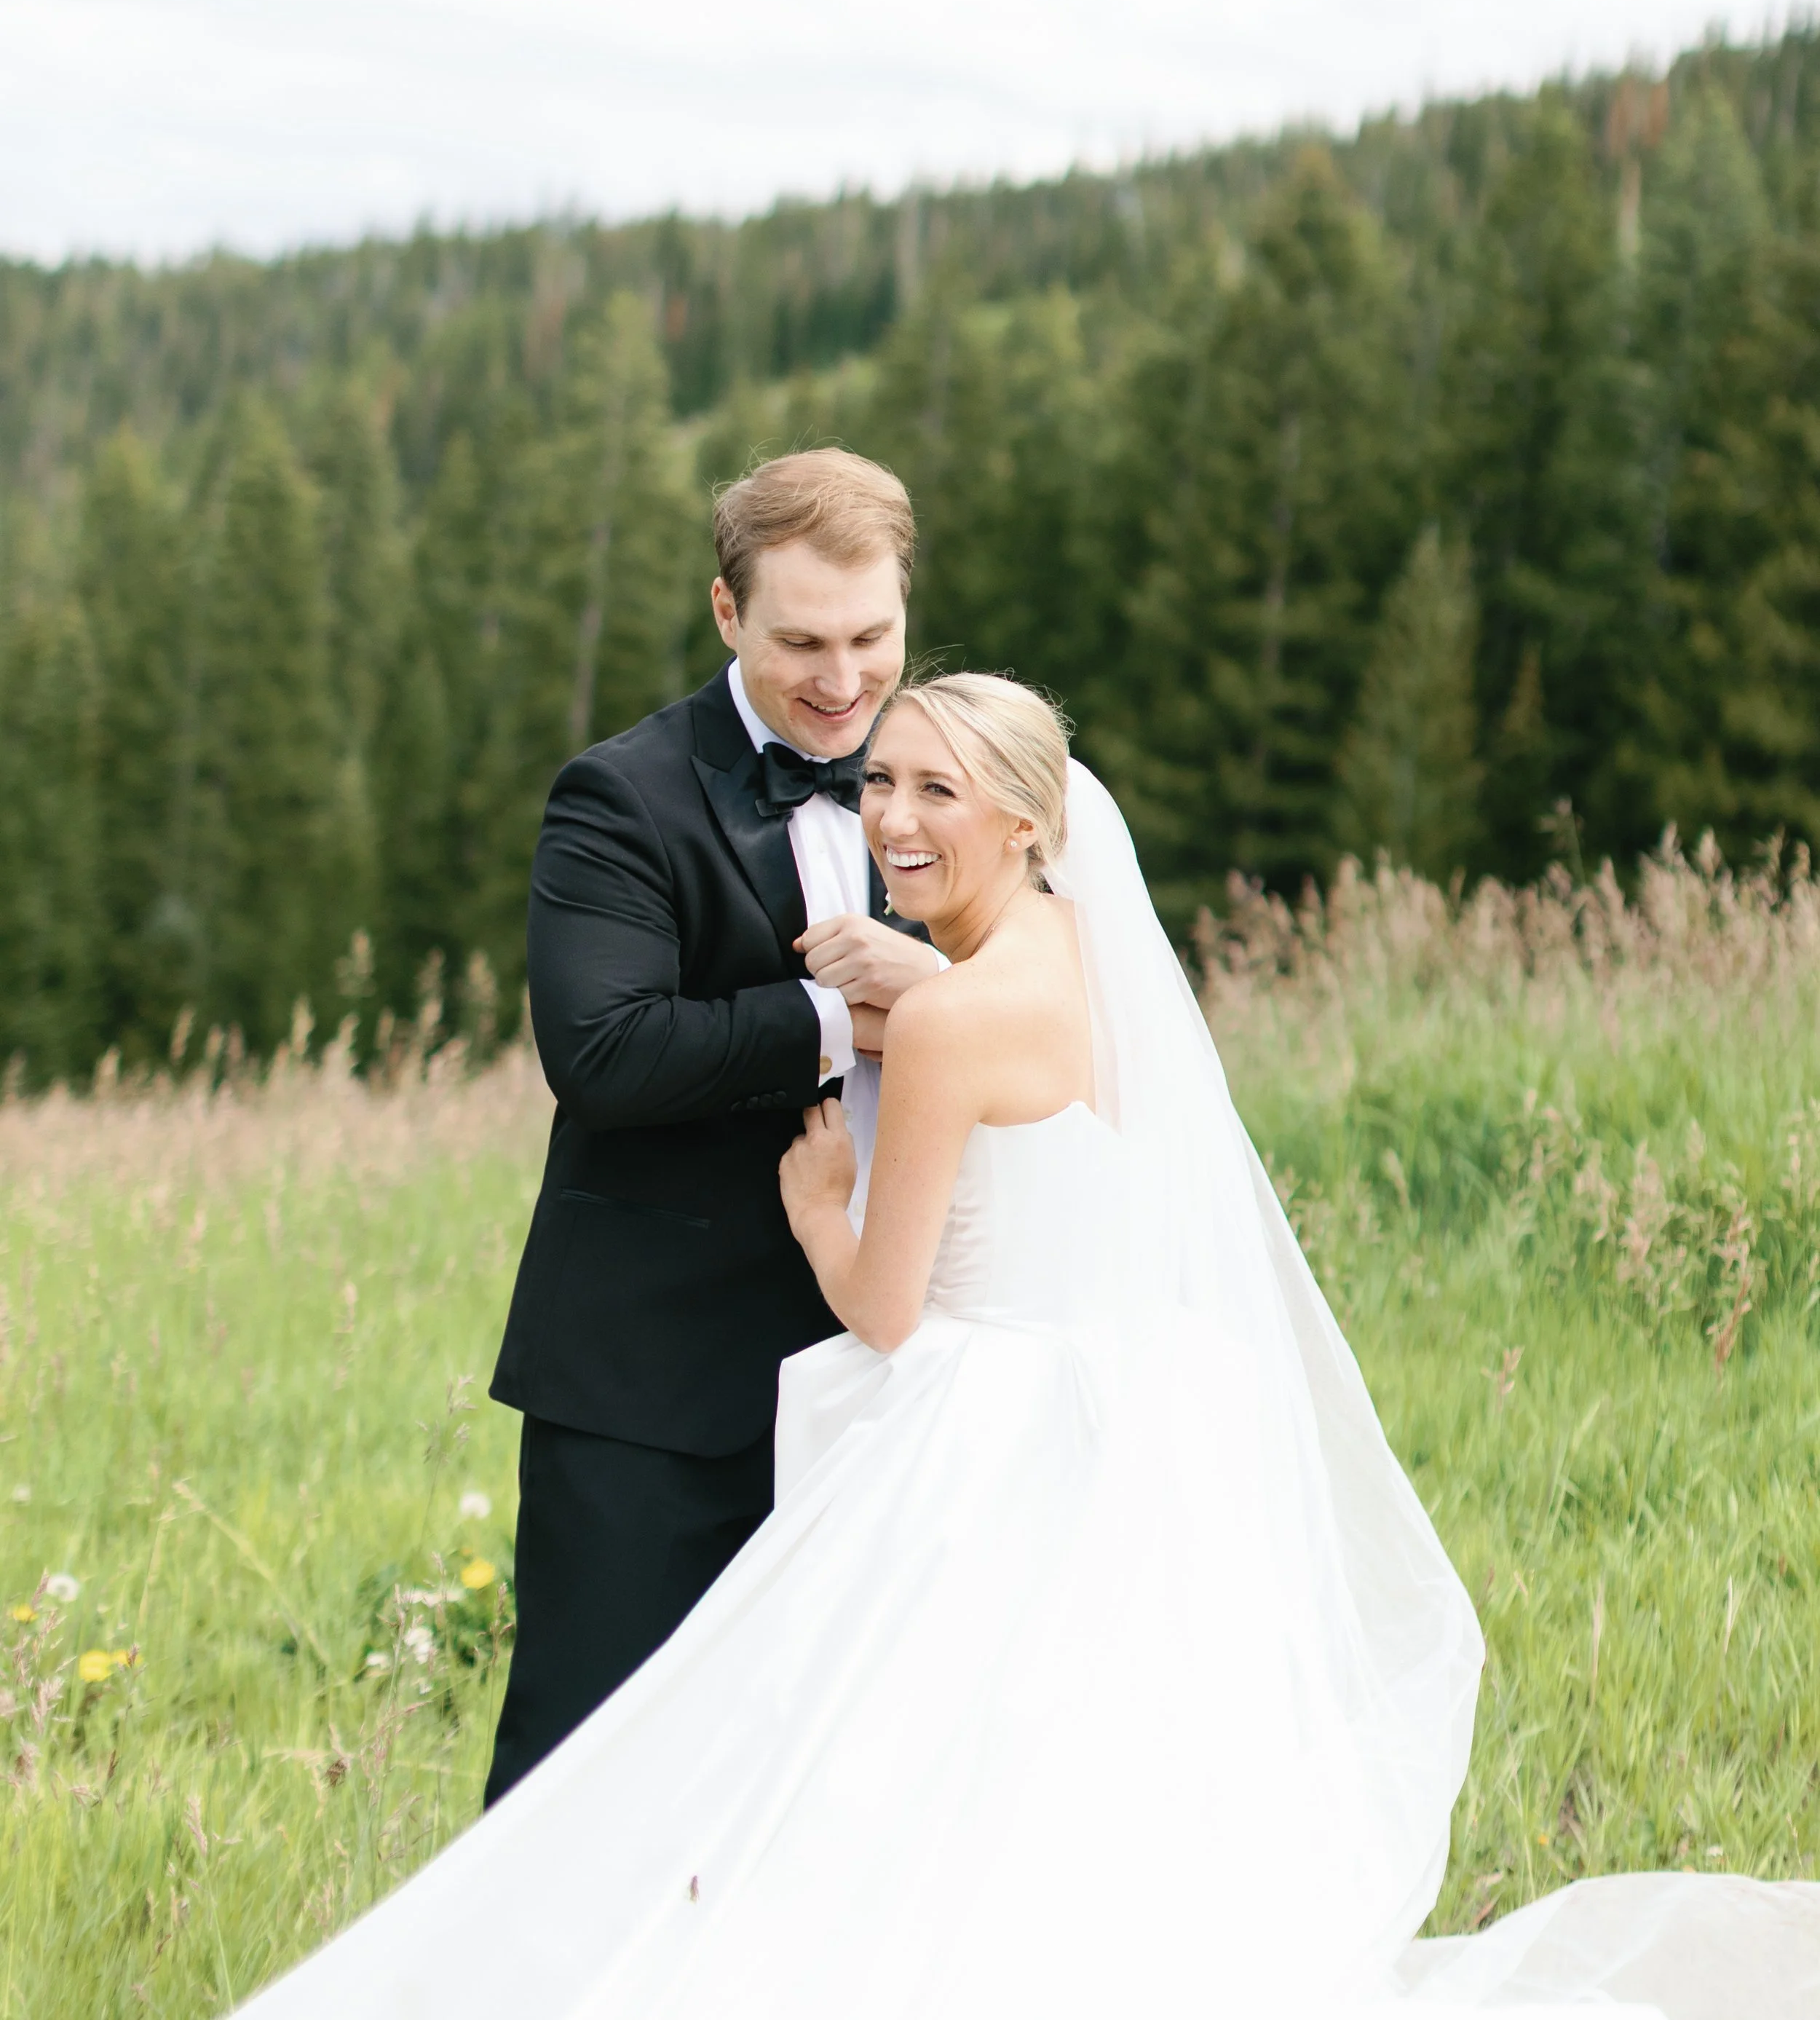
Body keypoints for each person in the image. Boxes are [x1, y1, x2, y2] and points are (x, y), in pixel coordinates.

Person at [244, 675, 1820, 2019]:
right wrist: (911, 983)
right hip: (1124, 1408)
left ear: (1027, 820)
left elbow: (879, 1300)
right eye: (881, 781)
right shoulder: (1081, 950)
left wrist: (813, 1200)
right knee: (1064, 1776)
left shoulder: (940, 1025)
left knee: (877, 1774)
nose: (894, 818)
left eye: (941, 789)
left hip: (976, 1425)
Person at [482, 449, 944, 1805]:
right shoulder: (618, 798)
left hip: (899, 1370)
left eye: (874, 637)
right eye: (802, 640)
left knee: (837, 1791)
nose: (845, 681)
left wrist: (939, 1006)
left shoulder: (953, 781)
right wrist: (834, 1019)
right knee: (586, 1788)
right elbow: (606, 1052)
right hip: (656, 1386)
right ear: (727, 613)